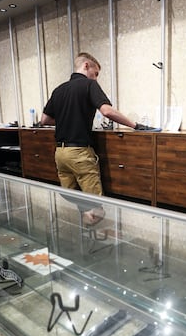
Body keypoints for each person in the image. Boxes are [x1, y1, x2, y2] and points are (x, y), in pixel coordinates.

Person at [40, 52, 155, 226]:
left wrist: (67, 118)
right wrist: (135, 125)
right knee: (96, 207)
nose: (96, 78)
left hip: (60, 154)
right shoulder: (89, 85)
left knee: (76, 200)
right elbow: (107, 111)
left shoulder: (59, 90)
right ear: (86, 65)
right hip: (79, 153)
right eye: (96, 73)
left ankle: (82, 235)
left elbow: (45, 120)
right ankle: (93, 243)